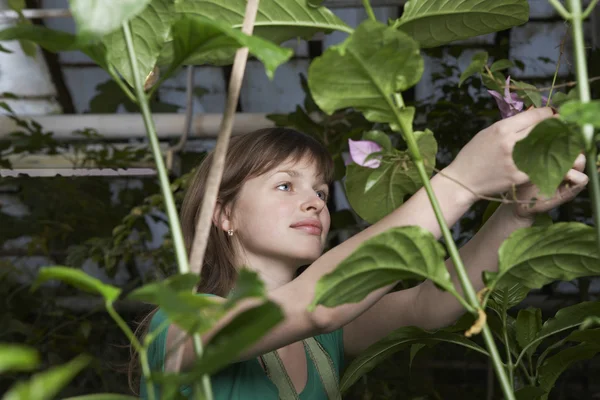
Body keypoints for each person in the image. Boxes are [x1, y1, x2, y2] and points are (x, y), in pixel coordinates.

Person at [132, 107, 587, 399]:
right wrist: (460, 182)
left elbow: (430, 304)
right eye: (286, 185)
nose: (314, 201)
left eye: (322, 193)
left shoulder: (323, 342)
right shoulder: (178, 326)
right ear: (223, 214)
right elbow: (318, 304)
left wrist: (516, 216)